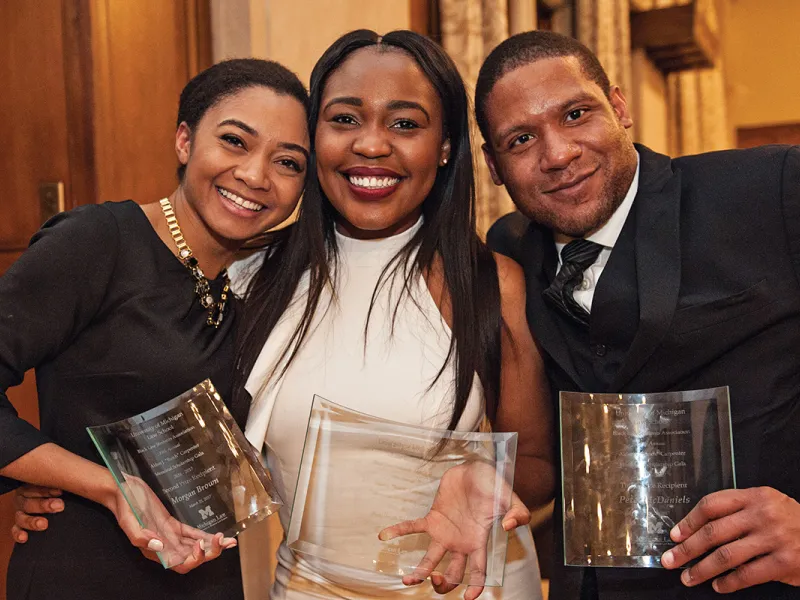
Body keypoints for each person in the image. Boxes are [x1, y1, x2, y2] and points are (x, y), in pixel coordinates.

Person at [476, 30, 800, 600]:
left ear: (619, 107)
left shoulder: (771, 188)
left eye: (576, 114)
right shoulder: (510, 250)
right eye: (522, 139)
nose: (558, 154)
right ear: (493, 166)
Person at [230, 29, 554, 599]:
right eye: (345, 119)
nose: (371, 146)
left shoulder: (490, 284)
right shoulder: (257, 273)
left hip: (464, 588)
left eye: (404, 124)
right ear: (314, 136)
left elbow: (536, 461)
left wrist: (488, 478)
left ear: (446, 146)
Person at [0, 57, 310, 600]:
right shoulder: (98, 243)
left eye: (288, 162)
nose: (257, 176)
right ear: (185, 141)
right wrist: (107, 486)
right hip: (84, 572)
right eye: (235, 142)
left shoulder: (273, 276)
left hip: (206, 572)